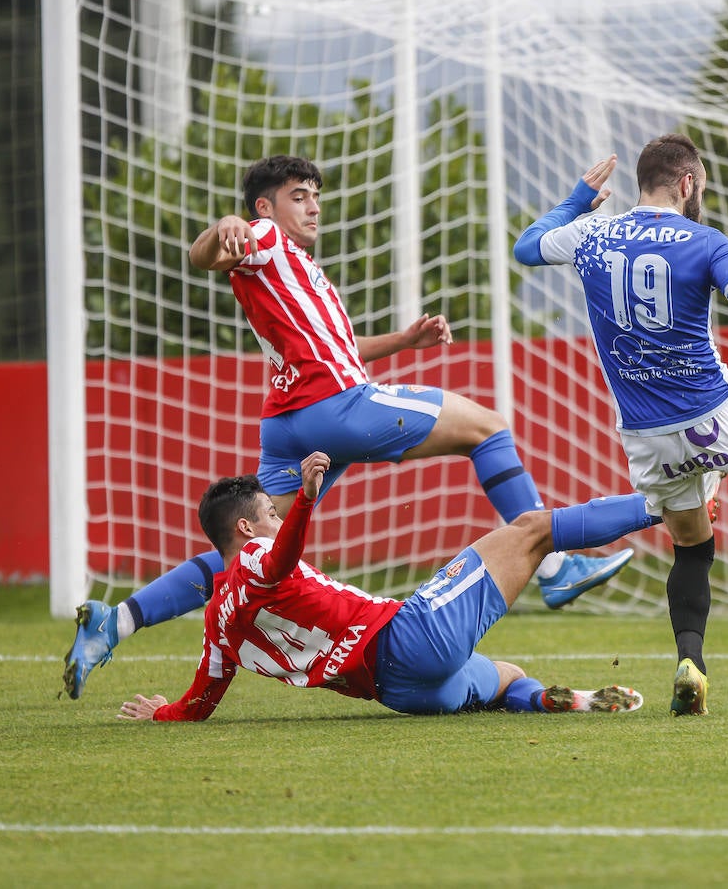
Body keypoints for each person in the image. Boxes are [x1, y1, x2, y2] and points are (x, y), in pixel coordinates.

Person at [64, 155, 633, 701]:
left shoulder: (296, 272)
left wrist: (403, 342)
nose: (313, 208)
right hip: (335, 406)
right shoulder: (264, 241)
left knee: (253, 550)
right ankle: (555, 568)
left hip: (290, 422)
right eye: (298, 198)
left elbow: (339, 347)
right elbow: (204, 255)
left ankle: (116, 621)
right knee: (486, 427)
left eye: (316, 198)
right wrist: (226, 225)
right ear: (265, 208)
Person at [512, 134, 728, 717]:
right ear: (687, 183)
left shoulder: (593, 234)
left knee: (691, 550)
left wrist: (575, 200)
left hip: (646, 433)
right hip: (717, 409)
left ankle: (690, 664)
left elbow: (526, 247)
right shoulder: (704, 241)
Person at [117, 451, 657, 722]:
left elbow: (200, 701)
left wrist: (161, 712)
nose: (276, 519)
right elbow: (281, 559)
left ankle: (565, 700)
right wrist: (305, 498)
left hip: (397, 692)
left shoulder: (216, 621)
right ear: (244, 529)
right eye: (269, 513)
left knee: (507, 676)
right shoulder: (258, 554)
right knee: (531, 530)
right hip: (408, 637)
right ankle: (662, 504)